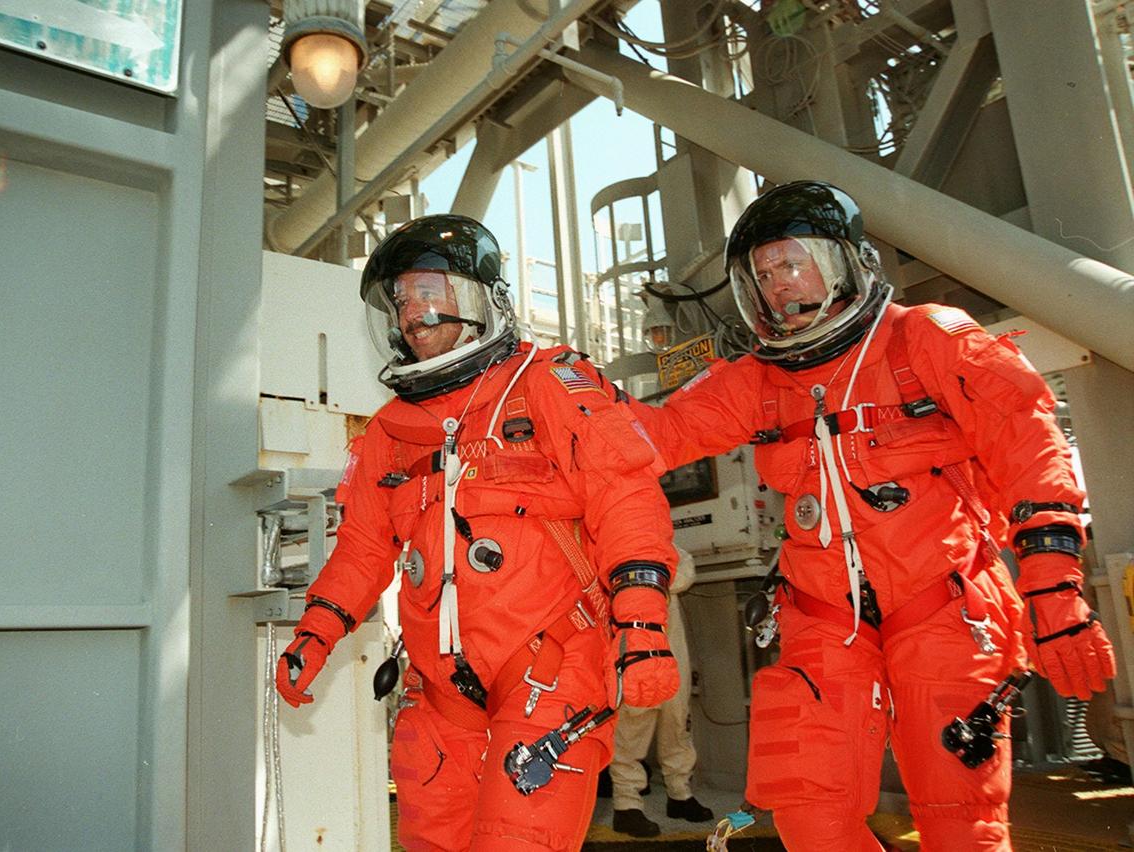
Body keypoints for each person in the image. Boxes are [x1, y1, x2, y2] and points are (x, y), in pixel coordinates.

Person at [624, 181, 1117, 851]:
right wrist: (562, 400)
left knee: (961, 823)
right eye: (762, 274)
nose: (775, 286)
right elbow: (649, 436)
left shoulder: (925, 341)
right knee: (811, 819)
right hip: (823, 624)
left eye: (789, 263)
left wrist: (1055, 588)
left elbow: (1029, 449)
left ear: (843, 261)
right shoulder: (757, 381)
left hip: (946, 609)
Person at [275, 214, 681, 851]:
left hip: (549, 665)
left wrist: (643, 622)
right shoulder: (389, 432)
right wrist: (317, 632)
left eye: (429, 291)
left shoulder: (545, 382)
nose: (413, 311)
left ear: (482, 296)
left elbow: (623, 497)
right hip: (439, 693)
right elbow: (362, 546)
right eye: (401, 299)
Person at [609, 545, 715, 838]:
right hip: (634, 642)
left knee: (677, 720)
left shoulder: (666, 546)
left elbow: (684, 574)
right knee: (632, 723)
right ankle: (626, 804)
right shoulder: (614, 544)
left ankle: (680, 794)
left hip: (671, 646)